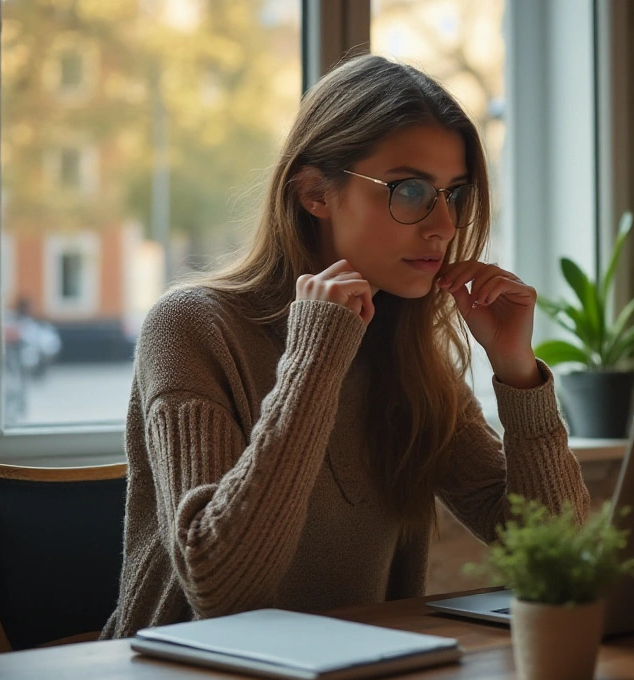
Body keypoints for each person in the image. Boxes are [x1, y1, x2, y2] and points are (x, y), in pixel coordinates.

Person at [102, 55, 589, 638]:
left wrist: (517, 373)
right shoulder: (190, 328)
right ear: (314, 193)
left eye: (454, 194)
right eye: (410, 190)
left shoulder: (409, 355)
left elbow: (563, 557)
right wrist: (315, 358)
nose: (443, 225)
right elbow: (224, 593)